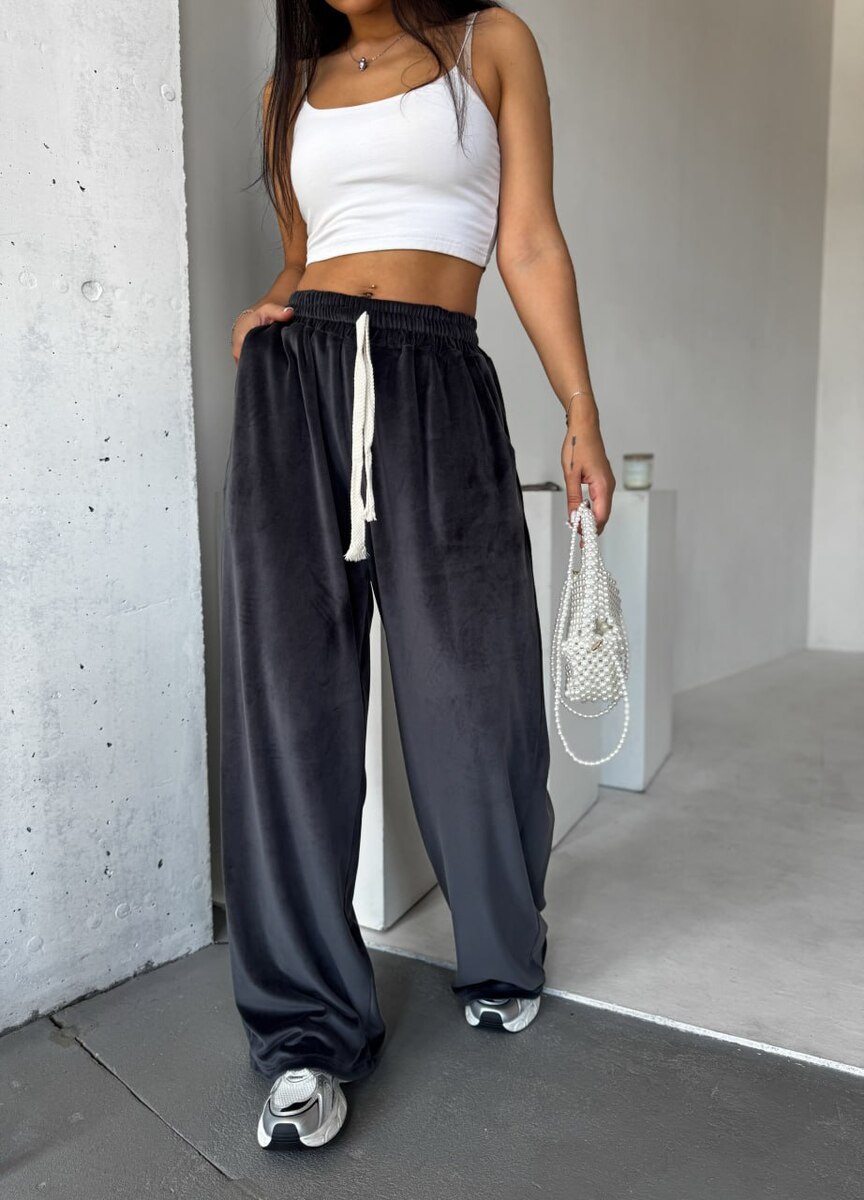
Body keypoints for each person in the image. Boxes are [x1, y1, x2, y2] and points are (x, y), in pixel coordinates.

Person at [220, 0, 615, 1150]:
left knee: (473, 693)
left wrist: (581, 412)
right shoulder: (286, 90)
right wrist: (270, 303)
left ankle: (501, 950)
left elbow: (527, 240)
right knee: (289, 710)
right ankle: (304, 1034)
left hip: (436, 378)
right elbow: (307, 247)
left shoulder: (489, 42)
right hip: (296, 383)